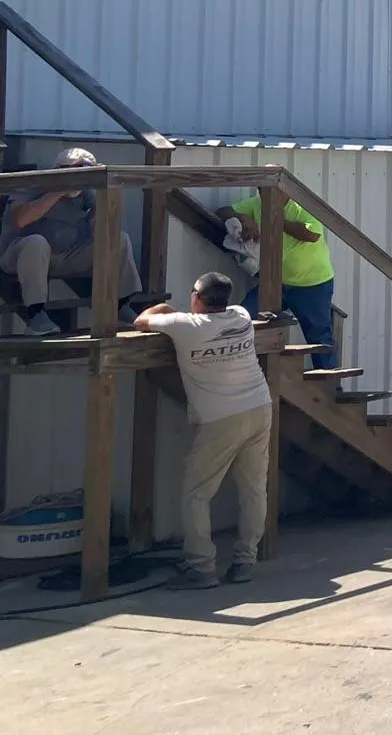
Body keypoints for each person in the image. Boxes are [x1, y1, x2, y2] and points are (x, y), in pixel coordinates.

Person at [135, 271, 273, 589]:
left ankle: (201, 568)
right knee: (254, 489)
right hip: (259, 407)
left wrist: (163, 309)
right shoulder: (240, 316)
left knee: (196, 495)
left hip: (220, 418)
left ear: (196, 297)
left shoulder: (185, 326)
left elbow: (141, 321)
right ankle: (245, 562)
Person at [0, 147, 148, 337]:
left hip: (67, 256)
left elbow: (102, 232)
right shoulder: (31, 183)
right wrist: (57, 192)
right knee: (36, 243)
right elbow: (20, 219)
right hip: (20, 255)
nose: (81, 181)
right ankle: (36, 314)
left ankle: (119, 305)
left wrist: (98, 209)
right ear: (60, 169)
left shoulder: (84, 194)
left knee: (118, 239)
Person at [221, 190, 336, 370]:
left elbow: (311, 234)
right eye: (263, 190)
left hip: (312, 284)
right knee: (244, 316)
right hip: (276, 282)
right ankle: (235, 369)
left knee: (319, 335)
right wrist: (243, 218)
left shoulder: (303, 207)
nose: (267, 194)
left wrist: (275, 220)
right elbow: (223, 211)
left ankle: (330, 388)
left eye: (273, 190)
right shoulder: (258, 205)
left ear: (285, 190)